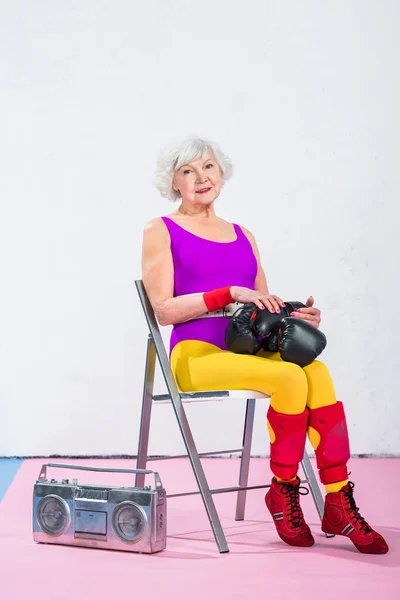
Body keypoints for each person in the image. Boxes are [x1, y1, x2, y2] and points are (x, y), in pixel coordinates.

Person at [141, 136, 388, 554]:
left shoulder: (243, 234)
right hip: (194, 355)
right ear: (174, 182)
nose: (201, 178)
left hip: (245, 349)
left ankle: (338, 499)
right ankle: (284, 491)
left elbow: (263, 311)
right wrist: (228, 293)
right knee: (289, 378)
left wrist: (293, 316)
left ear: (222, 174)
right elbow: (162, 309)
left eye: (209, 167)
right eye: (188, 171)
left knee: (317, 371)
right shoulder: (160, 230)